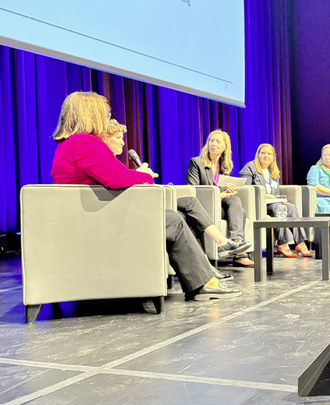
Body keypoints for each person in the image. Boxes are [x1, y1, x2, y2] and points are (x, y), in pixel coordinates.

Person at [50, 91, 240, 301]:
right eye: (104, 113)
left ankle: (202, 280)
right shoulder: (84, 143)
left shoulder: (73, 144)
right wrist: (144, 175)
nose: (106, 118)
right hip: (101, 220)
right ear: (91, 115)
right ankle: (203, 282)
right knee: (173, 220)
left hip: (100, 214)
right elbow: (116, 178)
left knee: (178, 214)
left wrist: (136, 176)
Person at [103, 119, 244, 281]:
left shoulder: (113, 160)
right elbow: (121, 181)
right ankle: (220, 245)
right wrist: (142, 174)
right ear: (105, 138)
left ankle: (211, 263)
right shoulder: (196, 163)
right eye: (118, 138)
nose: (123, 142)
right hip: (137, 205)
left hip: (144, 200)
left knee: (192, 213)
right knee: (190, 204)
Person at [187, 130, 254, 267]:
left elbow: (219, 187)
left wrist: (228, 189)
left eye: (218, 141)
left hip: (220, 206)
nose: (214, 144)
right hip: (204, 206)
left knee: (237, 204)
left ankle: (237, 245)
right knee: (240, 211)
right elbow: (193, 191)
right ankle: (239, 250)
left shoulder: (224, 166)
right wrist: (219, 195)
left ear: (225, 147)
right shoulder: (196, 163)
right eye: (211, 140)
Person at [240, 143, 313, 258]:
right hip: (258, 204)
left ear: (273, 157)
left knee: (291, 207)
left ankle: (301, 243)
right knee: (280, 208)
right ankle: (283, 244)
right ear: (258, 154)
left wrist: (280, 199)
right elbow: (245, 189)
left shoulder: (273, 171)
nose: (266, 156)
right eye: (263, 153)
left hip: (272, 203)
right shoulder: (250, 167)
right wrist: (265, 196)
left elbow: (276, 193)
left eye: (269, 154)